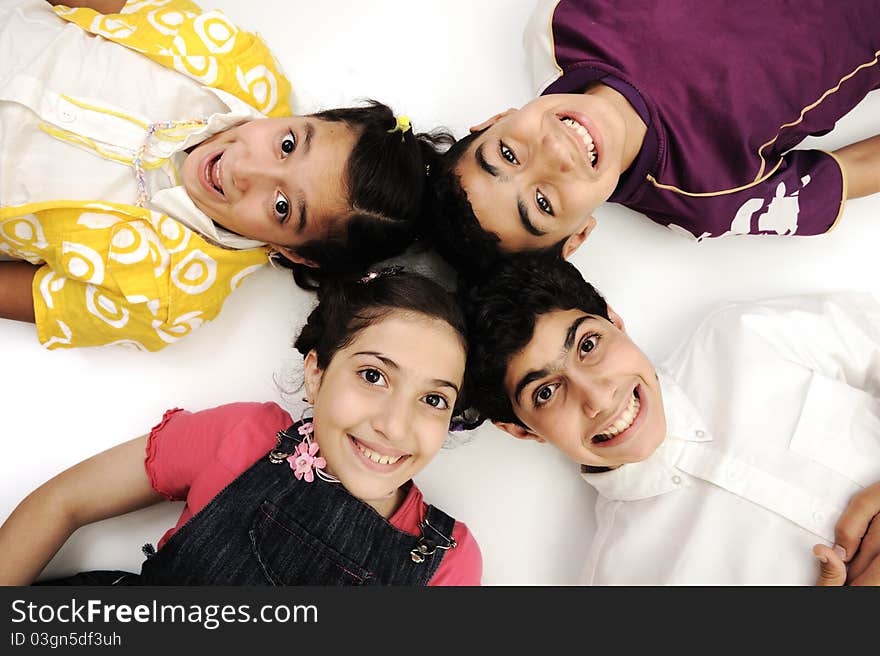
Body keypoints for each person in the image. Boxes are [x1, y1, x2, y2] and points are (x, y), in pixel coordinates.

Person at [0, 0, 448, 350]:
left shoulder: (165, 298)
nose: (243, 168)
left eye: (281, 206)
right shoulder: (236, 66)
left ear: (295, 254)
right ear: (312, 116)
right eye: (288, 144)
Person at [0, 268, 482, 586]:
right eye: (373, 375)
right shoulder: (245, 437)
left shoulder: (446, 562)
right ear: (316, 373)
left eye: (434, 399)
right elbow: (62, 503)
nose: (394, 425)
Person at [459, 253, 880, 585]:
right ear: (521, 430)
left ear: (615, 321)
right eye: (546, 392)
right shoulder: (621, 582)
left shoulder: (745, 338)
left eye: (588, 345)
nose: (598, 397)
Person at [427, 0, 880, 275]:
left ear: (494, 120)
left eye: (507, 153)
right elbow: (852, 172)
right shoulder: (707, 202)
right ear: (577, 236)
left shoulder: (561, 21)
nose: (554, 154)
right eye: (543, 204)